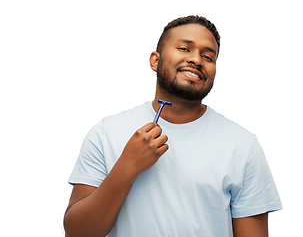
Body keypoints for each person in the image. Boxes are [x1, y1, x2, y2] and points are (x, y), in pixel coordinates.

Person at [63, 15, 282, 237]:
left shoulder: (242, 146)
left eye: (208, 56)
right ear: (155, 61)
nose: (197, 60)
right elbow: (77, 233)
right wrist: (127, 165)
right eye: (184, 49)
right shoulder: (105, 134)